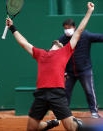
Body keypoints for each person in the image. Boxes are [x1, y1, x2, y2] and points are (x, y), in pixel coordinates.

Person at [6, 2, 94, 131]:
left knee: (70, 127)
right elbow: (24, 43)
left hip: (57, 93)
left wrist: (89, 11)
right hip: (41, 94)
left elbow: (79, 30)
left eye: (60, 42)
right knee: (31, 128)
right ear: (52, 45)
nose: (58, 41)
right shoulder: (40, 54)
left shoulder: (65, 51)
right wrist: (12, 28)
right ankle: (50, 124)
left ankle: (78, 124)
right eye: (57, 41)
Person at [59, 9, 103, 119]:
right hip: (69, 72)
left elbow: (100, 37)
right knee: (65, 93)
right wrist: (63, 71)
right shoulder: (63, 39)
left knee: (89, 91)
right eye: (65, 28)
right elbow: (59, 57)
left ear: (74, 27)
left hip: (85, 70)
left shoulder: (85, 35)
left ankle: (94, 112)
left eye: (69, 28)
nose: (67, 30)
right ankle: (64, 114)